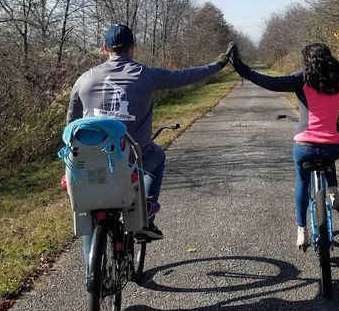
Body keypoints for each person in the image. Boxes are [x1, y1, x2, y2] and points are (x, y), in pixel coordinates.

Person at [67, 23, 234, 241]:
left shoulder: (84, 79)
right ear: (132, 47)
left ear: (104, 47)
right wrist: (218, 64)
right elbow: (186, 75)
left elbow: (72, 124)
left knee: (90, 210)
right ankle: (144, 217)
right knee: (158, 156)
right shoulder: (146, 75)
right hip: (131, 155)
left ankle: (92, 271)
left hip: (90, 158)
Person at [230, 42, 339, 251]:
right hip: (333, 147)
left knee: (302, 181)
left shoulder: (302, 79)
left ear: (307, 61)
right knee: (327, 149)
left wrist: (242, 68)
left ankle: (302, 231)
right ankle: (334, 193)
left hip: (305, 147)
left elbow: (268, 82)